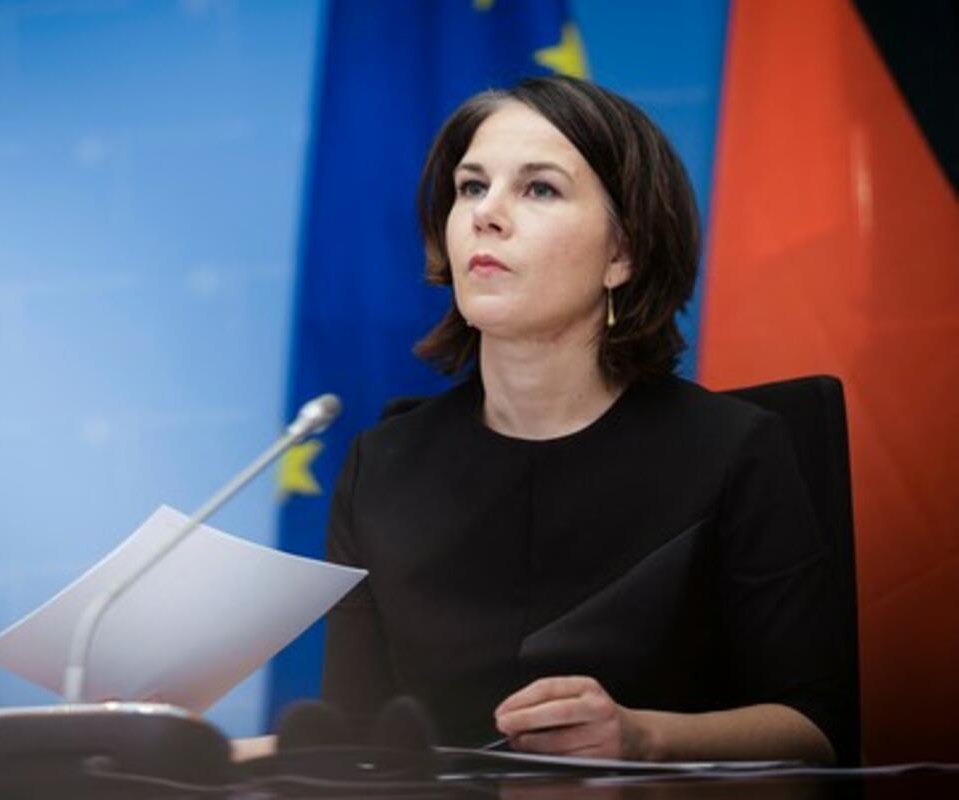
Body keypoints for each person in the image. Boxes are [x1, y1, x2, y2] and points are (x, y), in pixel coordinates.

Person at [319, 74, 845, 764]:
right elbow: (350, 736)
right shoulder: (379, 467)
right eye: (471, 187)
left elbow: (816, 733)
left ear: (622, 253)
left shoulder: (736, 449)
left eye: (539, 189)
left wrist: (644, 737)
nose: (486, 214)